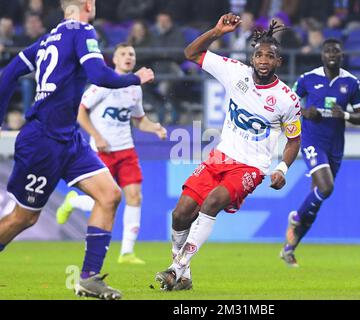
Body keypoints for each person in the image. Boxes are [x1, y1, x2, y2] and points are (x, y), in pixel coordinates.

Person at [0, 0, 154, 300]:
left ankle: (89, 278)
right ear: (87, 4)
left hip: (68, 137)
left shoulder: (47, 39)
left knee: (110, 195)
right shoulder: (81, 30)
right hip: (43, 139)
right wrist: (136, 78)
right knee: (23, 218)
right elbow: (99, 74)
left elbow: (7, 75)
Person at [155, 13, 302, 291]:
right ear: (252, 57)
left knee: (211, 203)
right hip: (221, 157)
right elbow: (191, 53)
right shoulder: (235, 72)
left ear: (278, 62)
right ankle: (183, 274)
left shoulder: (287, 99)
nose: (263, 61)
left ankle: (176, 269)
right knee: (180, 214)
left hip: (251, 166)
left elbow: (294, 140)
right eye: (259, 55)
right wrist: (216, 31)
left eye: (269, 57)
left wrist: (281, 168)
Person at [56, 43, 167, 265]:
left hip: (126, 150)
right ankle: (74, 202)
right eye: (123, 54)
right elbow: (80, 112)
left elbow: (138, 120)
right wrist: (96, 136)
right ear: (114, 60)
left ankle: (127, 252)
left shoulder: (135, 88)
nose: (128, 57)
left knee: (135, 196)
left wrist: (154, 127)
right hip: (101, 152)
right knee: (104, 200)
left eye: (132, 54)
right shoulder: (103, 84)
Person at [280, 38, 360, 267]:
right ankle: (295, 217)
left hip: (335, 146)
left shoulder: (351, 82)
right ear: (321, 55)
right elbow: (287, 104)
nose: (332, 54)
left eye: (336, 52)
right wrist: (305, 112)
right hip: (312, 140)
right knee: (326, 188)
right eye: (328, 50)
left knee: (317, 200)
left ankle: (289, 248)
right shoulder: (308, 78)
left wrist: (345, 115)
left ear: (342, 56)